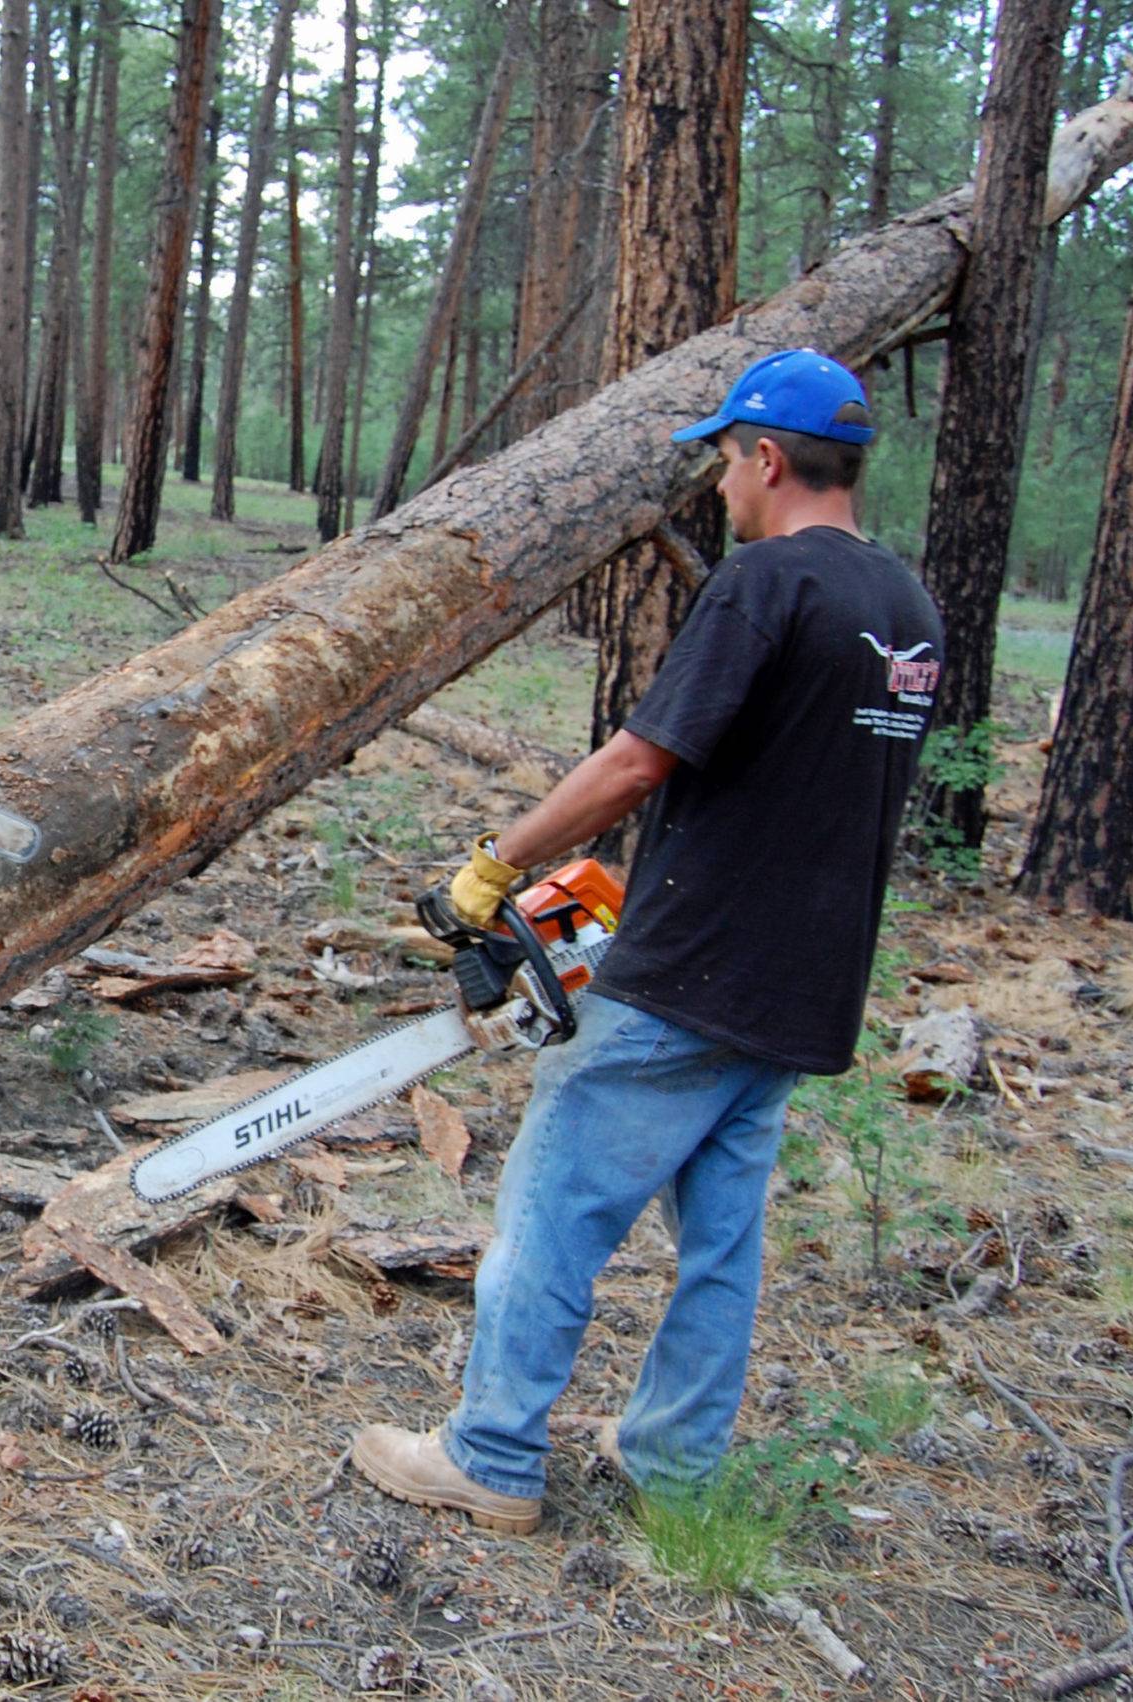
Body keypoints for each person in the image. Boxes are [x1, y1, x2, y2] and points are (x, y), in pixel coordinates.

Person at [346, 348, 944, 1536]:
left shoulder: (764, 585)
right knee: (721, 1242)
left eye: (726, 461)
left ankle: (492, 1453)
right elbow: (799, 782)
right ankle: (672, 1463)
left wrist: (495, 866)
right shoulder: (906, 608)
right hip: (801, 982)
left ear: (765, 458)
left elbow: (637, 759)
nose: (722, 487)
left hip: (691, 974)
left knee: (552, 1205)